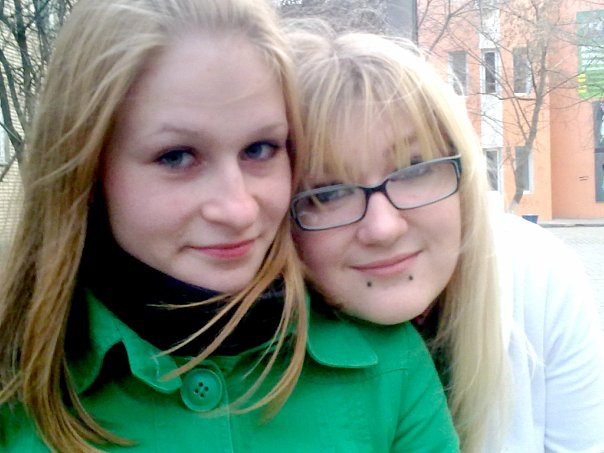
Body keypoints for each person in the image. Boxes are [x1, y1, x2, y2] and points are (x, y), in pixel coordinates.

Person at [0, 1, 459, 451]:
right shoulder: (15, 391)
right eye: (177, 156)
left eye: (259, 149)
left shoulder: (387, 367)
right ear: (87, 170)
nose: (239, 210)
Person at [286, 23, 604, 453]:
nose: (383, 228)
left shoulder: (537, 279)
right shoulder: (243, 357)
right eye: (328, 192)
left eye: (414, 170)